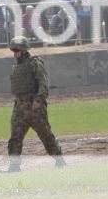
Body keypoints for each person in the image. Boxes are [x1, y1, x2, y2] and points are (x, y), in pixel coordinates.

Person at [4, 37, 65, 172]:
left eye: (17, 50)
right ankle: (14, 166)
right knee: (15, 138)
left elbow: (43, 83)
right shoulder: (16, 66)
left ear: (24, 50)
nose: (14, 53)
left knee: (46, 135)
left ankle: (60, 161)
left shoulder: (35, 63)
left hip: (34, 107)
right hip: (19, 108)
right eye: (13, 50)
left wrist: (39, 100)